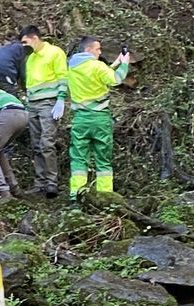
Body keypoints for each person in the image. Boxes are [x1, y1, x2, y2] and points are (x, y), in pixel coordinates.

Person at [66, 36, 129, 199]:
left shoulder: (72, 67)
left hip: (80, 119)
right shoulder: (97, 66)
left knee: (79, 159)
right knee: (103, 159)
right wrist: (125, 64)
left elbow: (96, 75)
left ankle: (76, 195)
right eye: (98, 49)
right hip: (99, 119)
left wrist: (114, 63)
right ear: (89, 50)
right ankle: (105, 195)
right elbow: (116, 79)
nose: (100, 52)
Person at [20, 26, 68, 198]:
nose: (24, 45)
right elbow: (30, 84)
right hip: (33, 104)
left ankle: (51, 183)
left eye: (25, 41)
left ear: (34, 38)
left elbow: (63, 76)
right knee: (36, 144)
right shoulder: (30, 59)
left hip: (49, 103)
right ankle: (40, 183)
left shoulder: (55, 53)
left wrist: (61, 98)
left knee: (47, 142)